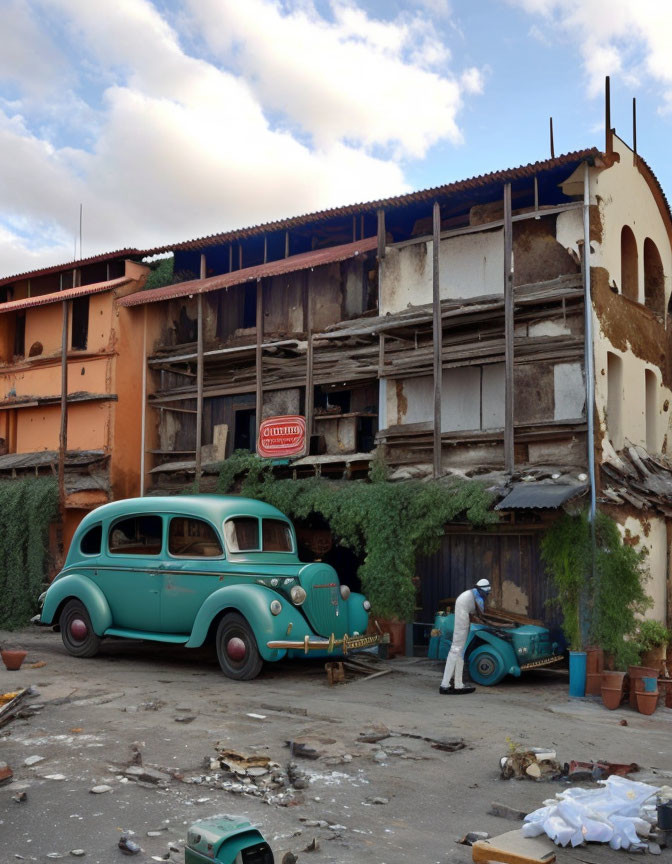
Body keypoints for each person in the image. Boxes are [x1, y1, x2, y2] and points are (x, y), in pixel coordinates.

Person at [439, 578, 491, 695]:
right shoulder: (477, 597)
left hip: (463, 613)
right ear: (482, 590)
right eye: (486, 593)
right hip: (462, 617)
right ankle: (445, 684)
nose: (486, 595)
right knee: (456, 649)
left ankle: (457, 684)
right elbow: (481, 614)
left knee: (459, 651)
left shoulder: (473, 593)